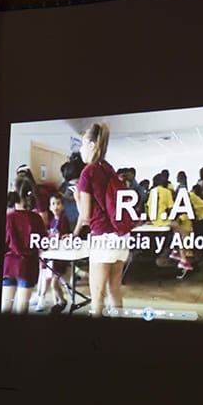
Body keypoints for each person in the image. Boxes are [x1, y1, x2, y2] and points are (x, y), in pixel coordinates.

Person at [73, 122, 129, 318]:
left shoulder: (87, 172)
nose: (80, 150)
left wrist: (77, 198)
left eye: (82, 144)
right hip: (121, 237)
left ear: (91, 145)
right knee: (115, 289)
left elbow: (86, 216)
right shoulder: (108, 168)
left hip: (102, 238)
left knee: (97, 296)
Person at [2, 173, 48, 314]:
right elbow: (43, 243)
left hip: (9, 265)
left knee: (6, 305)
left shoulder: (8, 218)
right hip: (28, 266)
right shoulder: (36, 218)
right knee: (22, 307)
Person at [36, 193, 71, 312]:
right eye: (53, 204)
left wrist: (59, 236)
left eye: (58, 203)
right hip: (52, 256)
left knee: (54, 283)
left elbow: (65, 235)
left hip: (60, 257)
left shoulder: (64, 219)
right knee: (50, 280)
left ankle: (62, 301)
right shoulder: (52, 221)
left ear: (63, 206)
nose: (56, 206)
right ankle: (58, 301)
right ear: (50, 207)